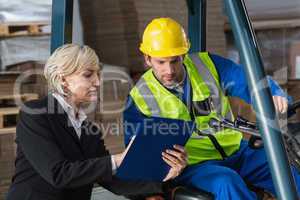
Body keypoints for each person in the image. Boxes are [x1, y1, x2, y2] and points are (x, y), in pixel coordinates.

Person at [123, 17, 300, 199]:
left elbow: (250, 82)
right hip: (195, 166)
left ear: (184, 54)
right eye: (161, 62)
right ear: (147, 59)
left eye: (174, 61)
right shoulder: (140, 98)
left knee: (284, 165)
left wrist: (274, 94)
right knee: (226, 182)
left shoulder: (208, 66)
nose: (169, 70)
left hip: (237, 151)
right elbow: (138, 160)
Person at [6, 44, 187, 200]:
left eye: (98, 74)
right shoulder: (35, 115)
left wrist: (164, 177)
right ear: (63, 79)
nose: (98, 82)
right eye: (88, 75)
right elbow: (59, 174)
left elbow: (112, 180)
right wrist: (119, 159)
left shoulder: (87, 129)